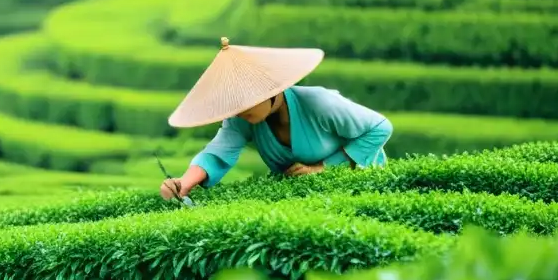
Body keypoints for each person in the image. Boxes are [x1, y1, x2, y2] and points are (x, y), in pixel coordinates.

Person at [160, 37, 393, 202]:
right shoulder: (240, 118)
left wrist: (323, 168)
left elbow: (380, 127)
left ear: (272, 89)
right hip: (305, 200)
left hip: (360, 188)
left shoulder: (318, 102)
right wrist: (185, 182)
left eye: (245, 101)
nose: (238, 110)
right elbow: (218, 153)